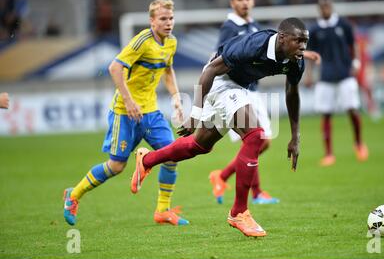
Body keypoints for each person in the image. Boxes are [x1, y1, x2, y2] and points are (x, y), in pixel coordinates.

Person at [130, 17, 309, 237]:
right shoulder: (255, 45)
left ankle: (146, 160)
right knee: (255, 136)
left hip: (237, 87)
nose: (303, 46)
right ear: (282, 38)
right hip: (218, 80)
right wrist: (195, 114)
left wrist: (295, 136)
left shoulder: (296, 60)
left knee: (199, 145)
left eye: (305, 41)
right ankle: (239, 212)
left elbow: (292, 93)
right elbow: (210, 71)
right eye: (298, 40)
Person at [63, 0, 188, 226]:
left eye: (170, 18)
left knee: (173, 154)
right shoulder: (142, 41)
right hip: (125, 112)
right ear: (152, 21)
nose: (168, 23)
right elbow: (114, 67)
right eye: (163, 19)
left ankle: (162, 210)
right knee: (116, 166)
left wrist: (176, 97)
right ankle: (73, 195)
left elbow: (168, 70)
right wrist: (129, 101)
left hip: (150, 111)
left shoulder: (171, 42)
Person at [209, 0, 321, 205]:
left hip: (252, 88)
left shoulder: (252, 25)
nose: (245, 2)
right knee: (255, 139)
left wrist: (303, 53)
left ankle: (221, 176)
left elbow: (275, 49)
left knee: (261, 141)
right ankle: (255, 192)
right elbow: (218, 57)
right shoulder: (230, 28)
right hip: (235, 90)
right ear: (232, 3)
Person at [306, 0, 368, 167]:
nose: (325, 9)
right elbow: (311, 55)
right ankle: (328, 154)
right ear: (319, 9)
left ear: (331, 7)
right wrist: (309, 75)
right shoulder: (315, 29)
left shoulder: (343, 24)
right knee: (326, 114)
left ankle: (359, 143)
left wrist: (356, 63)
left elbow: (353, 44)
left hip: (345, 74)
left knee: (352, 109)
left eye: (327, 6)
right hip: (325, 77)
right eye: (322, 6)